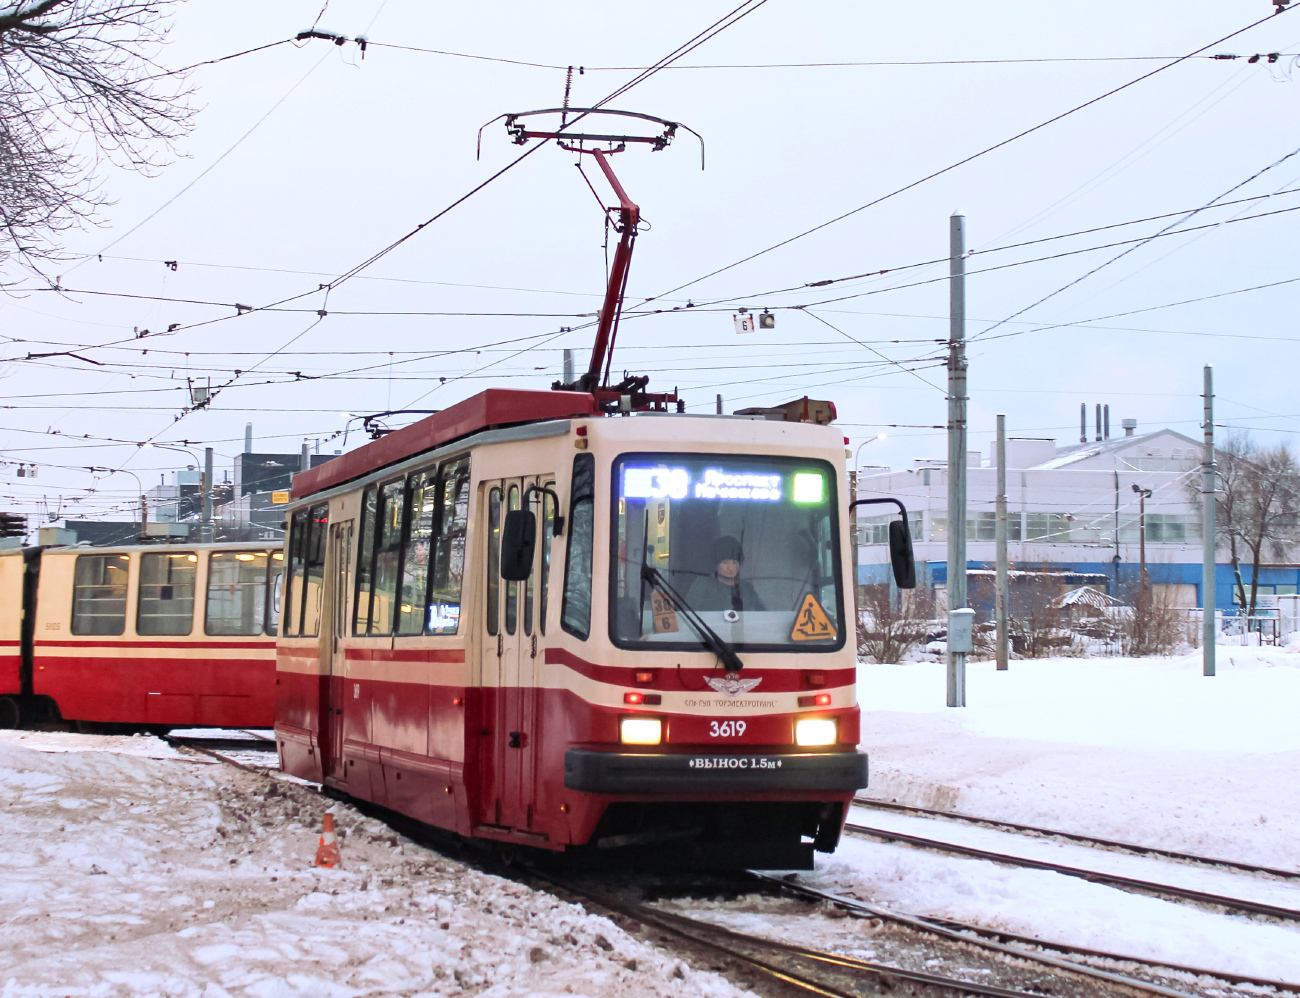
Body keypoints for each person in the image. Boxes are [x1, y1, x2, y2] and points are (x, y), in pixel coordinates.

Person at [686, 536, 766, 613]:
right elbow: (687, 616)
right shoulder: (702, 585)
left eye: (734, 563)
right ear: (716, 563)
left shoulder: (747, 589)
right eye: (725, 562)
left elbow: (762, 615)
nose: (730, 568)